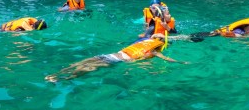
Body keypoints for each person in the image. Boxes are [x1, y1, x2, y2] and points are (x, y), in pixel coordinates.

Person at [45, 36, 186, 83]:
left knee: (82, 63)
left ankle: (54, 75)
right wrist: (182, 62)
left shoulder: (145, 42)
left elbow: (157, 35)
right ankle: (63, 79)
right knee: (88, 68)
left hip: (109, 55)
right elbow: (167, 59)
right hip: (114, 60)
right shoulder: (154, 50)